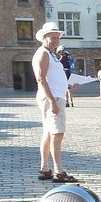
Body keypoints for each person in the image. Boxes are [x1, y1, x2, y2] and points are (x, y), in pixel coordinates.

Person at [32, 22, 77, 183]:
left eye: (57, 38)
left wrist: (68, 85)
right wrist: (52, 101)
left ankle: (45, 168)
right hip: (53, 97)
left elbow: (51, 77)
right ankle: (59, 171)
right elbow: (41, 79)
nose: (56, 40)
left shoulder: (50, 54)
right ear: (44, 37)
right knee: (57, 134)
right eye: (53, 37)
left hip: (55, 95)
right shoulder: (43, 54)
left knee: (49, 133)